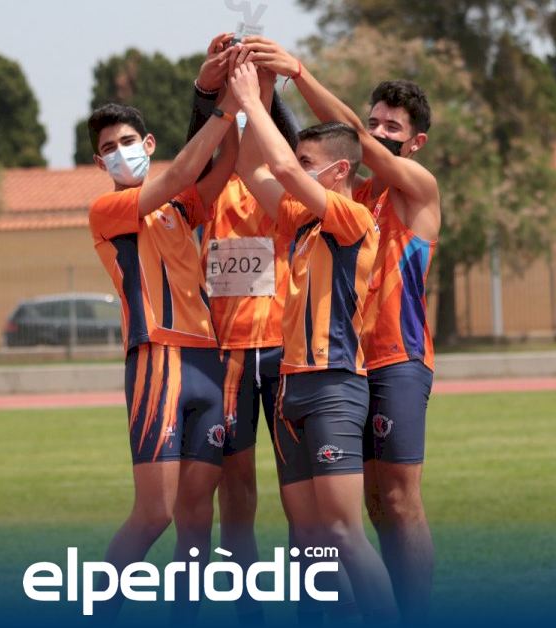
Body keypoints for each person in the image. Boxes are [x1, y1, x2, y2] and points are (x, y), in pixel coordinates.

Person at [243, 36, 443, 626]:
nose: (378, 131)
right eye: (374, 121)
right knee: (351, 508)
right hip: (344, 359)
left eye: (392, 127)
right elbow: (293, 162)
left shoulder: (414, 186)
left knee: (397, 501)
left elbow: (346, 136)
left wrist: (298, 75)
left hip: (397, 354)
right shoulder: (344, 195)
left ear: (415, 142)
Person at [228, 59, 398, 624]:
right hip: (291, 390)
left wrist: (250, 102)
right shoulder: (301, 220)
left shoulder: (352, 217)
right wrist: (262, 91)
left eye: (308, 164)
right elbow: (252, 169)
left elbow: (278, 165)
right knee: (309, 538)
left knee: (344, 533)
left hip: (334, 388)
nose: (295, 171)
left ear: (339, 170)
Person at [84, 47, 241, 620]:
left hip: (207, 365)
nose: (118, 152)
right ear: (99, 162)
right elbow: (180, 172)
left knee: (197, 517)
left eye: (126, 141)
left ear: (147, 143)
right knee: (153, 514)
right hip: (157, 362)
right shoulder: (108, 211)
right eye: (108, 148)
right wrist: (222, 107)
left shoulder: (180, 208)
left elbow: (225, 163)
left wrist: (232, 92)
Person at [184, 33, 303, 626]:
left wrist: (268, 82)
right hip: (227, 355)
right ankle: (248, 612)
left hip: (285, 351)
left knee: (302, 497)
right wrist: (210, 90)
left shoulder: (281, 183)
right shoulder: (206, 190)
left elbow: (290, 144)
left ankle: (313, 608)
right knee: (237, 495)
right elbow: (197, 142)